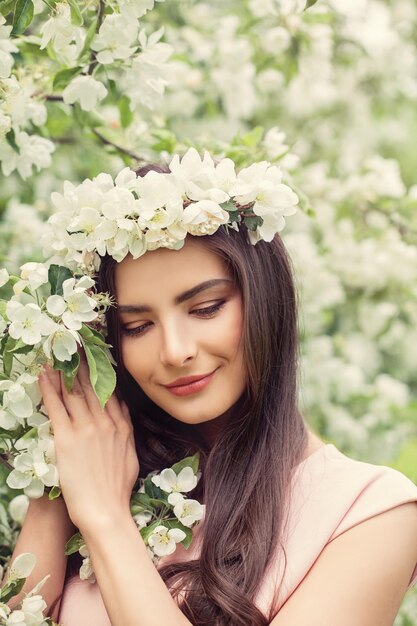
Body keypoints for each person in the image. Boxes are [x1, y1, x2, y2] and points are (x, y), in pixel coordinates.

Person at [3, 162, 417, 626]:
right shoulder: (95, 470)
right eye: (136, 327)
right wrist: (58, 486)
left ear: (263, 300)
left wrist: (107, 522)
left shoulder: (369, 512)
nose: (175, 352)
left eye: (206, 308)